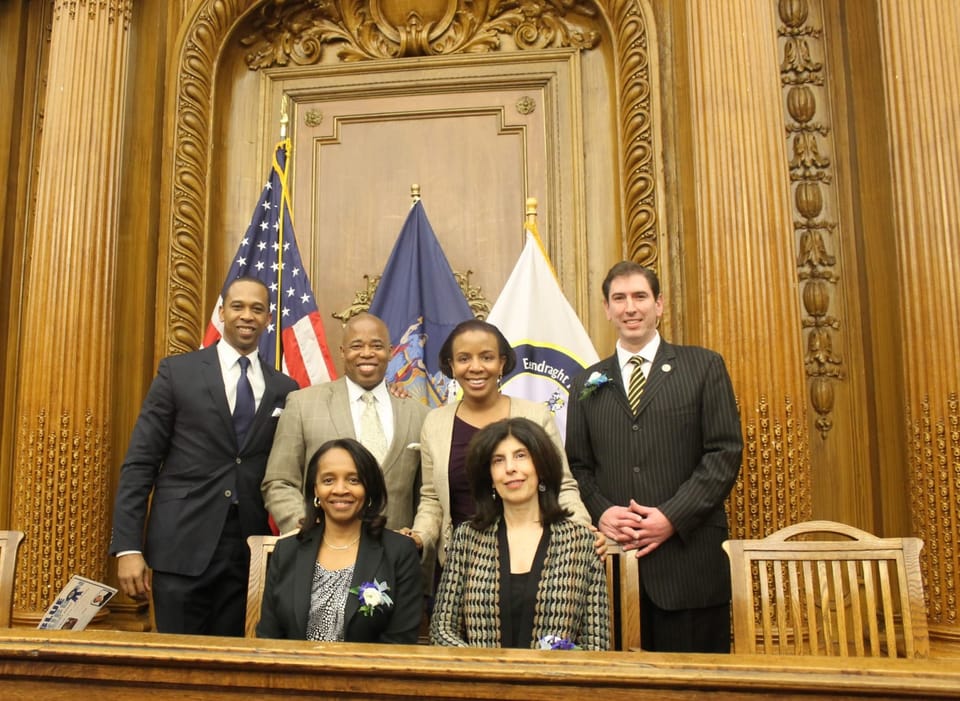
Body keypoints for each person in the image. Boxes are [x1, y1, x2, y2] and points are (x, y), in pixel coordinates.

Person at [565, 261, 743, 653]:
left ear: (659, 305)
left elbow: (724, 453)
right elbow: (578, 466)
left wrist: (671, 517)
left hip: (689, 566)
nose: (631, 307)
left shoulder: (703, 366)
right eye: (620, 298)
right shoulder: (585, 383)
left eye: (640, 297)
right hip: (612, 567)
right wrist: (602, 511)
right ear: (607, 308)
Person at [109, 276, 299, 636]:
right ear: (222, 312)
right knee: (176, 667)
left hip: (247, 551)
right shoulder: (177, 373)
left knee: (231, 668)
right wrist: (128, 548)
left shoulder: (284, 388)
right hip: (181, 544)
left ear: (269, 318)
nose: (247, 315)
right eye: (238, 306)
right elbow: (140, 464)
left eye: (257, 309)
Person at [404, 319, 592, 565]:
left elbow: (563, 487)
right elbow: (432, 499)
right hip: (460, 564)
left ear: (502, 362)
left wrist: (581, 532)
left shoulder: (535, 416)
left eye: (486, 357)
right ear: (451, 365)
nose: (475, 367)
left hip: (533, 560)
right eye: (463, 359)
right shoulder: (435, 423)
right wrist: (419, 537)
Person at [430, 418, 609, 649]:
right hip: (482, 680)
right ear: (490, 478)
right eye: (498, 460)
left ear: (542, 467)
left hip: (556, 682)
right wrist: (484, 669)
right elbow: (441, 629)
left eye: (521, 456)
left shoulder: (581, 542)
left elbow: (596, 643)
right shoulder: (467, 538)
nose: (510, 468)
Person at [263, 312, 429, 533]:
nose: (367, 353)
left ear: (390, 353)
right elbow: (279, 481)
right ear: (342, 352)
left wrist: (418, 537)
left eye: (377, 346)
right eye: (356, 346)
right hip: (321, 553)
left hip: (394, 557)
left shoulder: (420, 414)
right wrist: (308, 527)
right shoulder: (302, 404)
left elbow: (428, 494)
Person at [257, 438, 423, 642]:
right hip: (294, 671)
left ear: (369, 487)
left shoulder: (399, 552)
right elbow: (268, 637)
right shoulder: (287, 551)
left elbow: (400, 642)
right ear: (315, 489)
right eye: (328, 480)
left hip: (369, 672)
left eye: (353, 480)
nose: (340, 489)